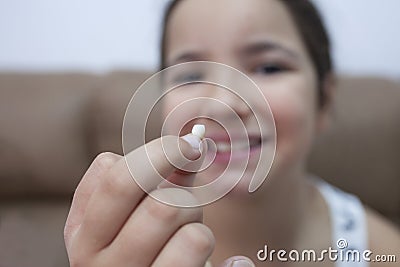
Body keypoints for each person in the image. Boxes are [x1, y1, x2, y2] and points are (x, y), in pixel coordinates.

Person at [64, 0, 400, 266]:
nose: (223, 104)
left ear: (323, 101)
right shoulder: (119, 239)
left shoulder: (379, 250)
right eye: (190, 74)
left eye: (269, 67)